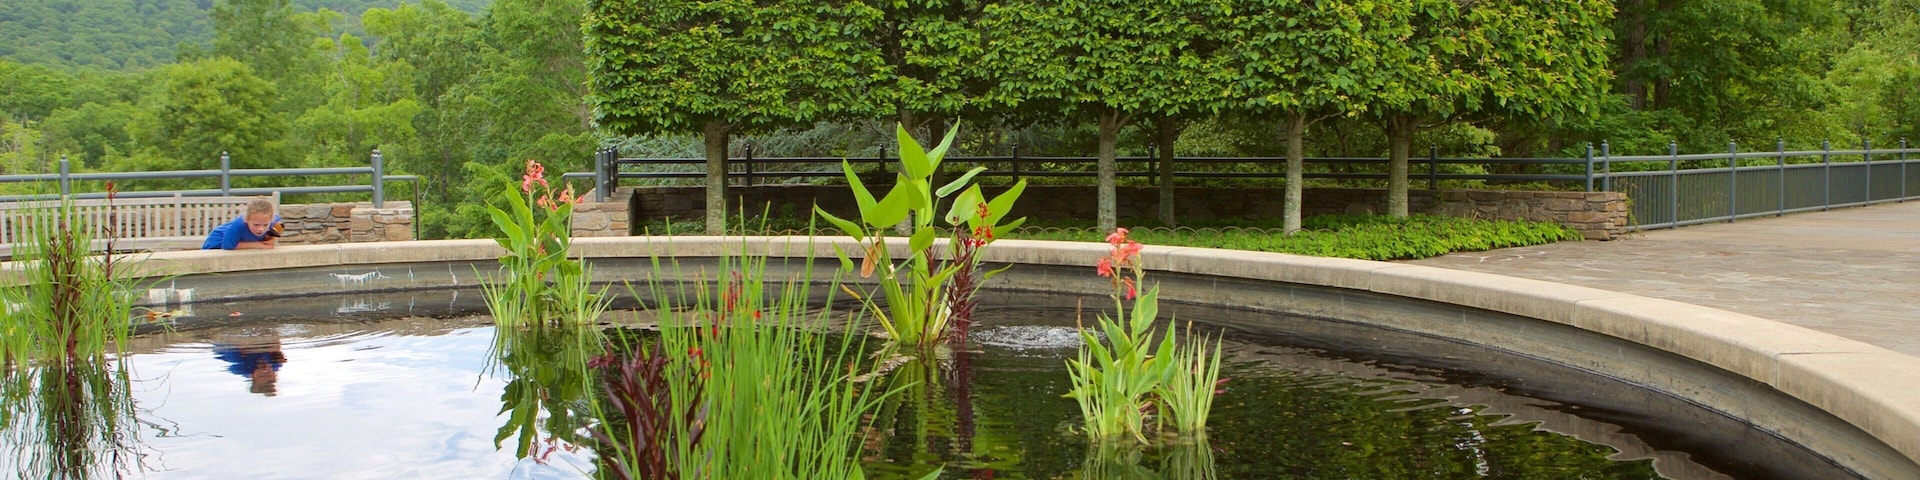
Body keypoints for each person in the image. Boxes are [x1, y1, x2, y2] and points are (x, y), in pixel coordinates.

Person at [201, 196, 281, 250]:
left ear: (271, 219)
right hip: (216, 245)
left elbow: (279, 223)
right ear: (246, 219)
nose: (261, 229)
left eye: (265, 225)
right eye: (256, 225)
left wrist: (272, 239)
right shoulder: (238, 225)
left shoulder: (273, 219)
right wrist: (257, 244)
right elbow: (228, 246)